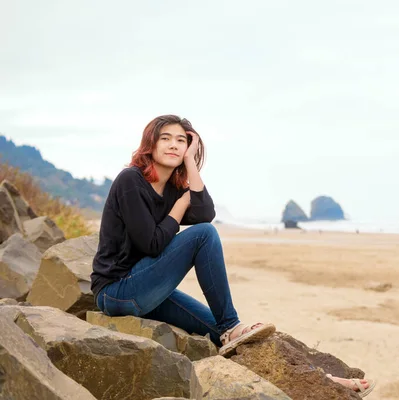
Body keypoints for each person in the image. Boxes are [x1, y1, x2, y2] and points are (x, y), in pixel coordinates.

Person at [90, 115, 373, 396]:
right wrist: (182, 203)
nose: (174, 145)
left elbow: (205, 213)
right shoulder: (131, 181)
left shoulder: (174, 187)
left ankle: (323, 380)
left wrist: (190, 164)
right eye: (165, 138)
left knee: (234, 338)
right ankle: (231, 325)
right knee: (204, 236)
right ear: (149, 145)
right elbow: (154, 243)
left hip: (148, 291)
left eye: (181, 140)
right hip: (117, 291)